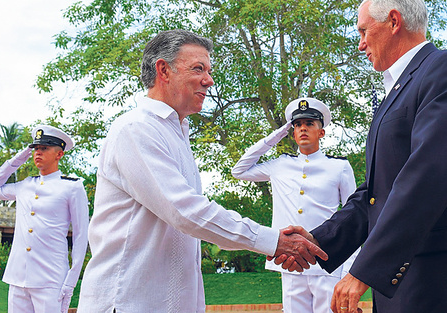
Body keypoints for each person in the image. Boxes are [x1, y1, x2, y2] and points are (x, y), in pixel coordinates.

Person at [76, 29, 327, 313]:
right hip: (129, 301)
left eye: (209, 70)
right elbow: (185, 211)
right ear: (163, 70)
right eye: (198, 69)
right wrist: (273, 241)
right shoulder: (136, 129)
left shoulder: (175, 132)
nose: (209, 80)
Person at [280, 0, 447, 312]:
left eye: (363, 31)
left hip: (430, 278)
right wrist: (318, 240)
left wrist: (363, 271)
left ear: (394, 22)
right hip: (402, 282)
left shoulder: (440, 70)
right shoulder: (397, 92)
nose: (360, 45)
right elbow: (376, 193)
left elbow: (428, 178)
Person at [232, 97, 358, 313]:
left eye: (309, 124)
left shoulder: (339, 167)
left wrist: (349, 267)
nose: (303, 129)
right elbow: (239, 170)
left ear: (321, 132)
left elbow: (354, 218)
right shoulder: (280, 165)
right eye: (298, 125)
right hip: (291, 262)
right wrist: (277, 135)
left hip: (327, 262)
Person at [0, 125, 89, 313]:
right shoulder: (25, 185)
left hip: (51, 279)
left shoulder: (72, 187)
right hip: (18, 277)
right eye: (36, 149)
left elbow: (81, 236)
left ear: (59, 155)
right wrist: (21, 156)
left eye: (44, 148)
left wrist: (70, 281)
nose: (37, 153)